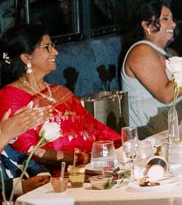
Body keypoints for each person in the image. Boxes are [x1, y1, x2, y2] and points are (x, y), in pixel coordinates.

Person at [0, 24, 121, 165]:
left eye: (53, 46)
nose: (55, 52)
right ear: (27, 58)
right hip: (52, 177)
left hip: (90, 167)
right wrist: (84, 160)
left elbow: (96, 128)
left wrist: (121, 145)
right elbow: (30, 151)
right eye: (47, 47)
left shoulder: (60, 91)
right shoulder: (10, 96)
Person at [121, 0, 179, 136]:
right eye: (165, 19)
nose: (173, 24)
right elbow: (167, 95)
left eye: (172, 19)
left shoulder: (169, 52)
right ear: (146, 25)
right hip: (149, 124)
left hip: (168, 117)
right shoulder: (141, 51)